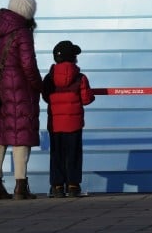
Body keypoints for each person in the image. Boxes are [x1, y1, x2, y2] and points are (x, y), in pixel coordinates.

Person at [0, 0, 44, 200]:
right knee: (20, 137)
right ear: (29, 11)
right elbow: (28, 65)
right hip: (20, 90)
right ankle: (20, 186)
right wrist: (39, 85)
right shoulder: (22, 32)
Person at [41, 40, 95, 198]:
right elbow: (86, 99)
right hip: (74, 124)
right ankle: (73, 185)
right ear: (72, 58)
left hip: (55, 124)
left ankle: (57, 186)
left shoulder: (49, 78)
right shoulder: (80, 77)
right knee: (74, 154)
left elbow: (45, 97)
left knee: (56, 154)